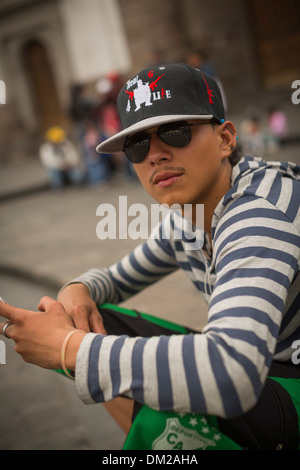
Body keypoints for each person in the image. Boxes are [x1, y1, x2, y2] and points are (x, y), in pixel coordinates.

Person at [1, 63, 299, 450]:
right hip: (268, 368)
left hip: (282, 375)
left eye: (175, 132)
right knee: (95, 322)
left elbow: (232, 373)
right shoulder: (192, 215)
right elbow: (117, 278)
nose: (155, 155)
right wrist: (78, 288)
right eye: (137, 144)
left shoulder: (259, 210)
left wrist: (67, 348)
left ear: (226, 138)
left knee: (166, 408)